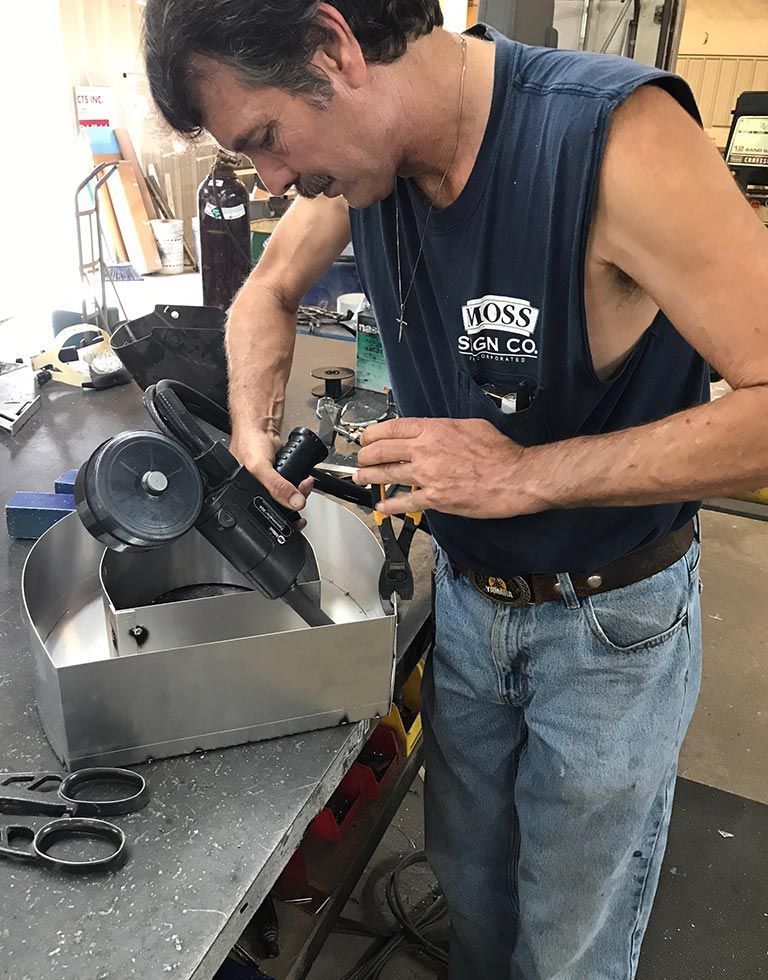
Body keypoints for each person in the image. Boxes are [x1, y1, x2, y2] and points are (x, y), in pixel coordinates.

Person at [143, 2, 768, 977]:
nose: (269, 179)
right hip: (471, 608)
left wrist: (525, 472)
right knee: (472, 897)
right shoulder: (364, 161)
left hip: (609, 627)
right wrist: (254, 423)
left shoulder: (613, 142)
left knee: (568, 941)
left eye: (264, 138)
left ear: (334, 47)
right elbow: (265, 292)